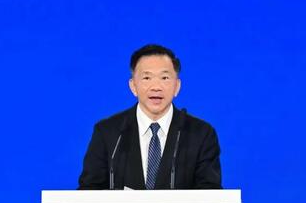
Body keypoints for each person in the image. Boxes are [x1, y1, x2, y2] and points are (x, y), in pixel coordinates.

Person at [78, 44, 222, 190]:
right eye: (147, 78)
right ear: (133, 86)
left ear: (177, 86)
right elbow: (88, 191)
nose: (156, 87)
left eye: (164, 78)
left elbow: (211, 193)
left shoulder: (201, 134)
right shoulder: (108, 133)